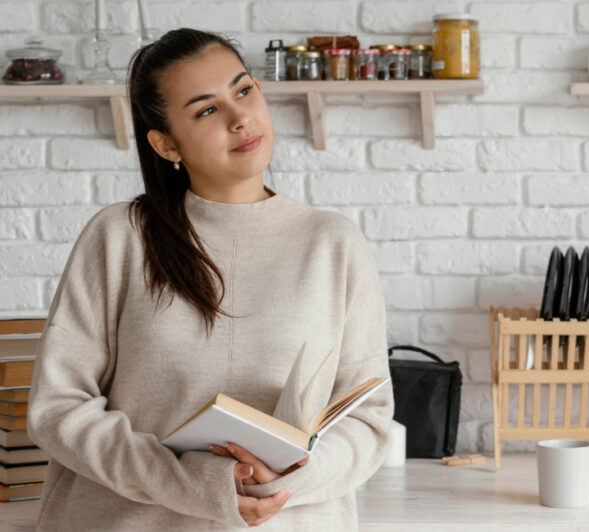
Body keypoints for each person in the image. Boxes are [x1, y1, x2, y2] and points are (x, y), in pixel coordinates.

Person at [26, 28, 393, 530]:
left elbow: (368, 419)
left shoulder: (334, 243)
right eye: (206, 110)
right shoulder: (120, 237)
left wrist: (288, 478)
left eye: (244, 90)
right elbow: (58, 408)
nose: (240, 118)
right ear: (166, 144)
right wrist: (195, 484)